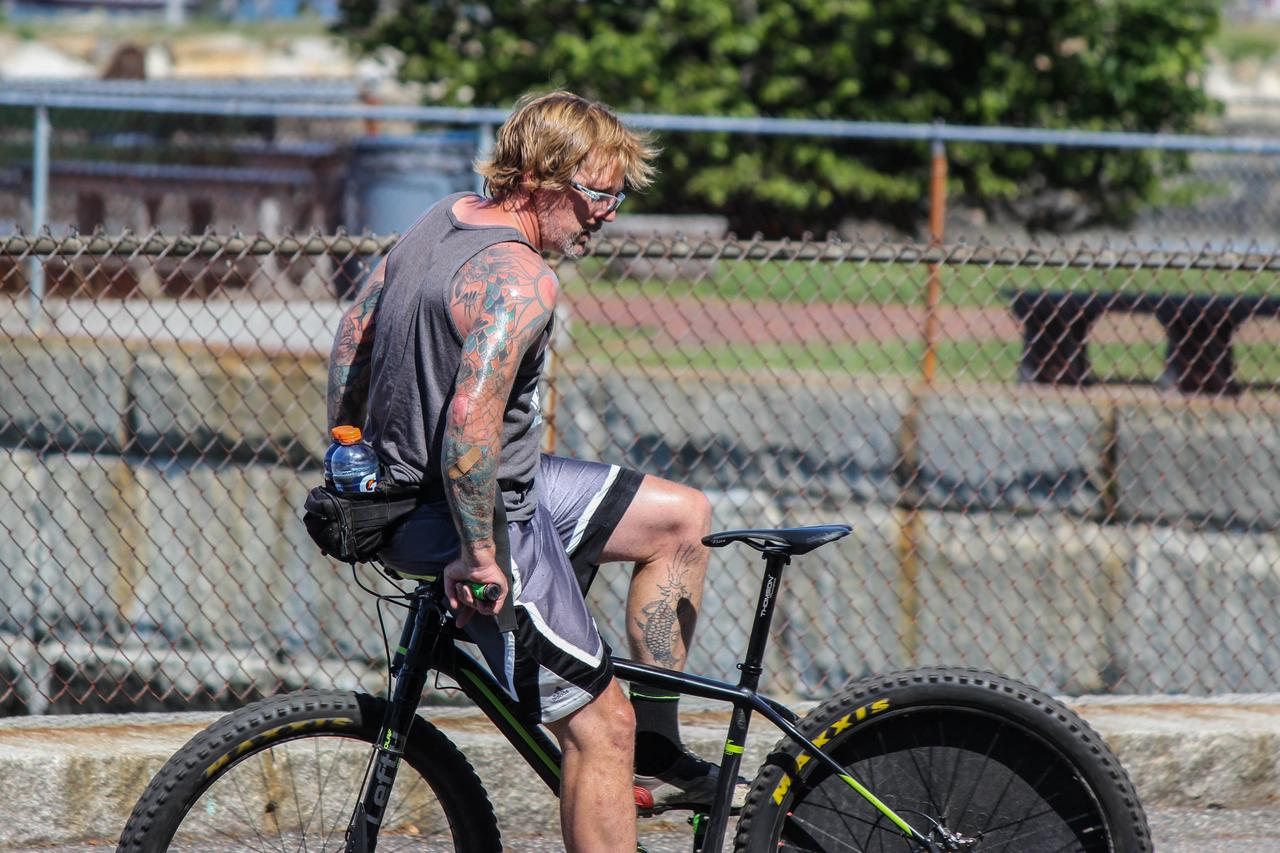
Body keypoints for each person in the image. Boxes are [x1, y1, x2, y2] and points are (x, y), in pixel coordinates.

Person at [325, 91, 738, 851]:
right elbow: (470, 421)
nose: (606, 214)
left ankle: (659, 745)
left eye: (616, 196)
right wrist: (478, 555)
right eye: (598, 193)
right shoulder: (522, 279)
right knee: (600, 728)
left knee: (684, 518)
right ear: (542, 178)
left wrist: (349, 451)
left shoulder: (441, 217)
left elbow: (354, 333)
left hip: (440, 488)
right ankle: (622, 740)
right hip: (480, 516)